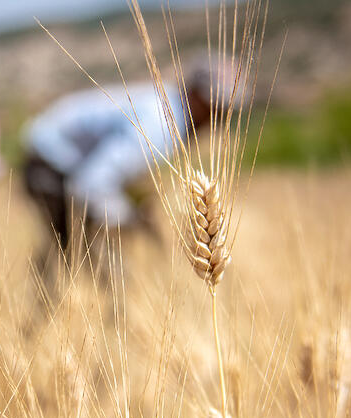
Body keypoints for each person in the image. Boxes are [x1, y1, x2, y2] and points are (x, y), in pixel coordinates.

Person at [21, 57, 236, 263]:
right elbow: (90, 184)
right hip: (50, 162)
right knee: (97, 266)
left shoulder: (168, 106)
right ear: (196, 96)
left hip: (54, 154)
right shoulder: (159, 127)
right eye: (217, 107)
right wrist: (128, 219)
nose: (220, 118)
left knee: (75, 256)